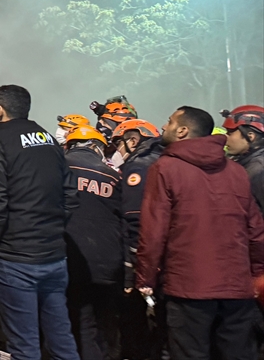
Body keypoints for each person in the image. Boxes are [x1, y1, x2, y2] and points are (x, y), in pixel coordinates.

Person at [136, 106, 264, 360]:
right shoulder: (236, 171)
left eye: (170, 122)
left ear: (182, 131)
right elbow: (256, 230)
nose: (164, 127)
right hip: (237, 289)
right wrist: (256, 275)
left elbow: (153, 232)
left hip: (188, 289)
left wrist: (145, 278)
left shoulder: (165, 169)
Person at [0, 84, 79, 360]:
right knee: (62, 341)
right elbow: (70, 194)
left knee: (24, 346)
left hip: (13, 259)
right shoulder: (47, 138)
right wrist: (51, 230)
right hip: (54, 257)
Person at [62, 125, 123, 360]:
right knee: (103, 322)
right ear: (97, 148)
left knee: (77, 323)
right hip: (109, 261)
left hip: (69, 258)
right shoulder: (113, 175)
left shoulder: (59, 167)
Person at [110, 118, 164, 360]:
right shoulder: (165, 160)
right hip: (168, 260)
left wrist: (131, 274)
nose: (116, 151)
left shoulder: (138, 167)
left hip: (145, 262)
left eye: (118, 145)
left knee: (136, 325)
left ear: (132, 140)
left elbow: (135, 221)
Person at [224, 105, 264, 213]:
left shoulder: (258, 169)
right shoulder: (247, 162)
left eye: (230, 133)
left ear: (250, 136)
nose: (225, 138)